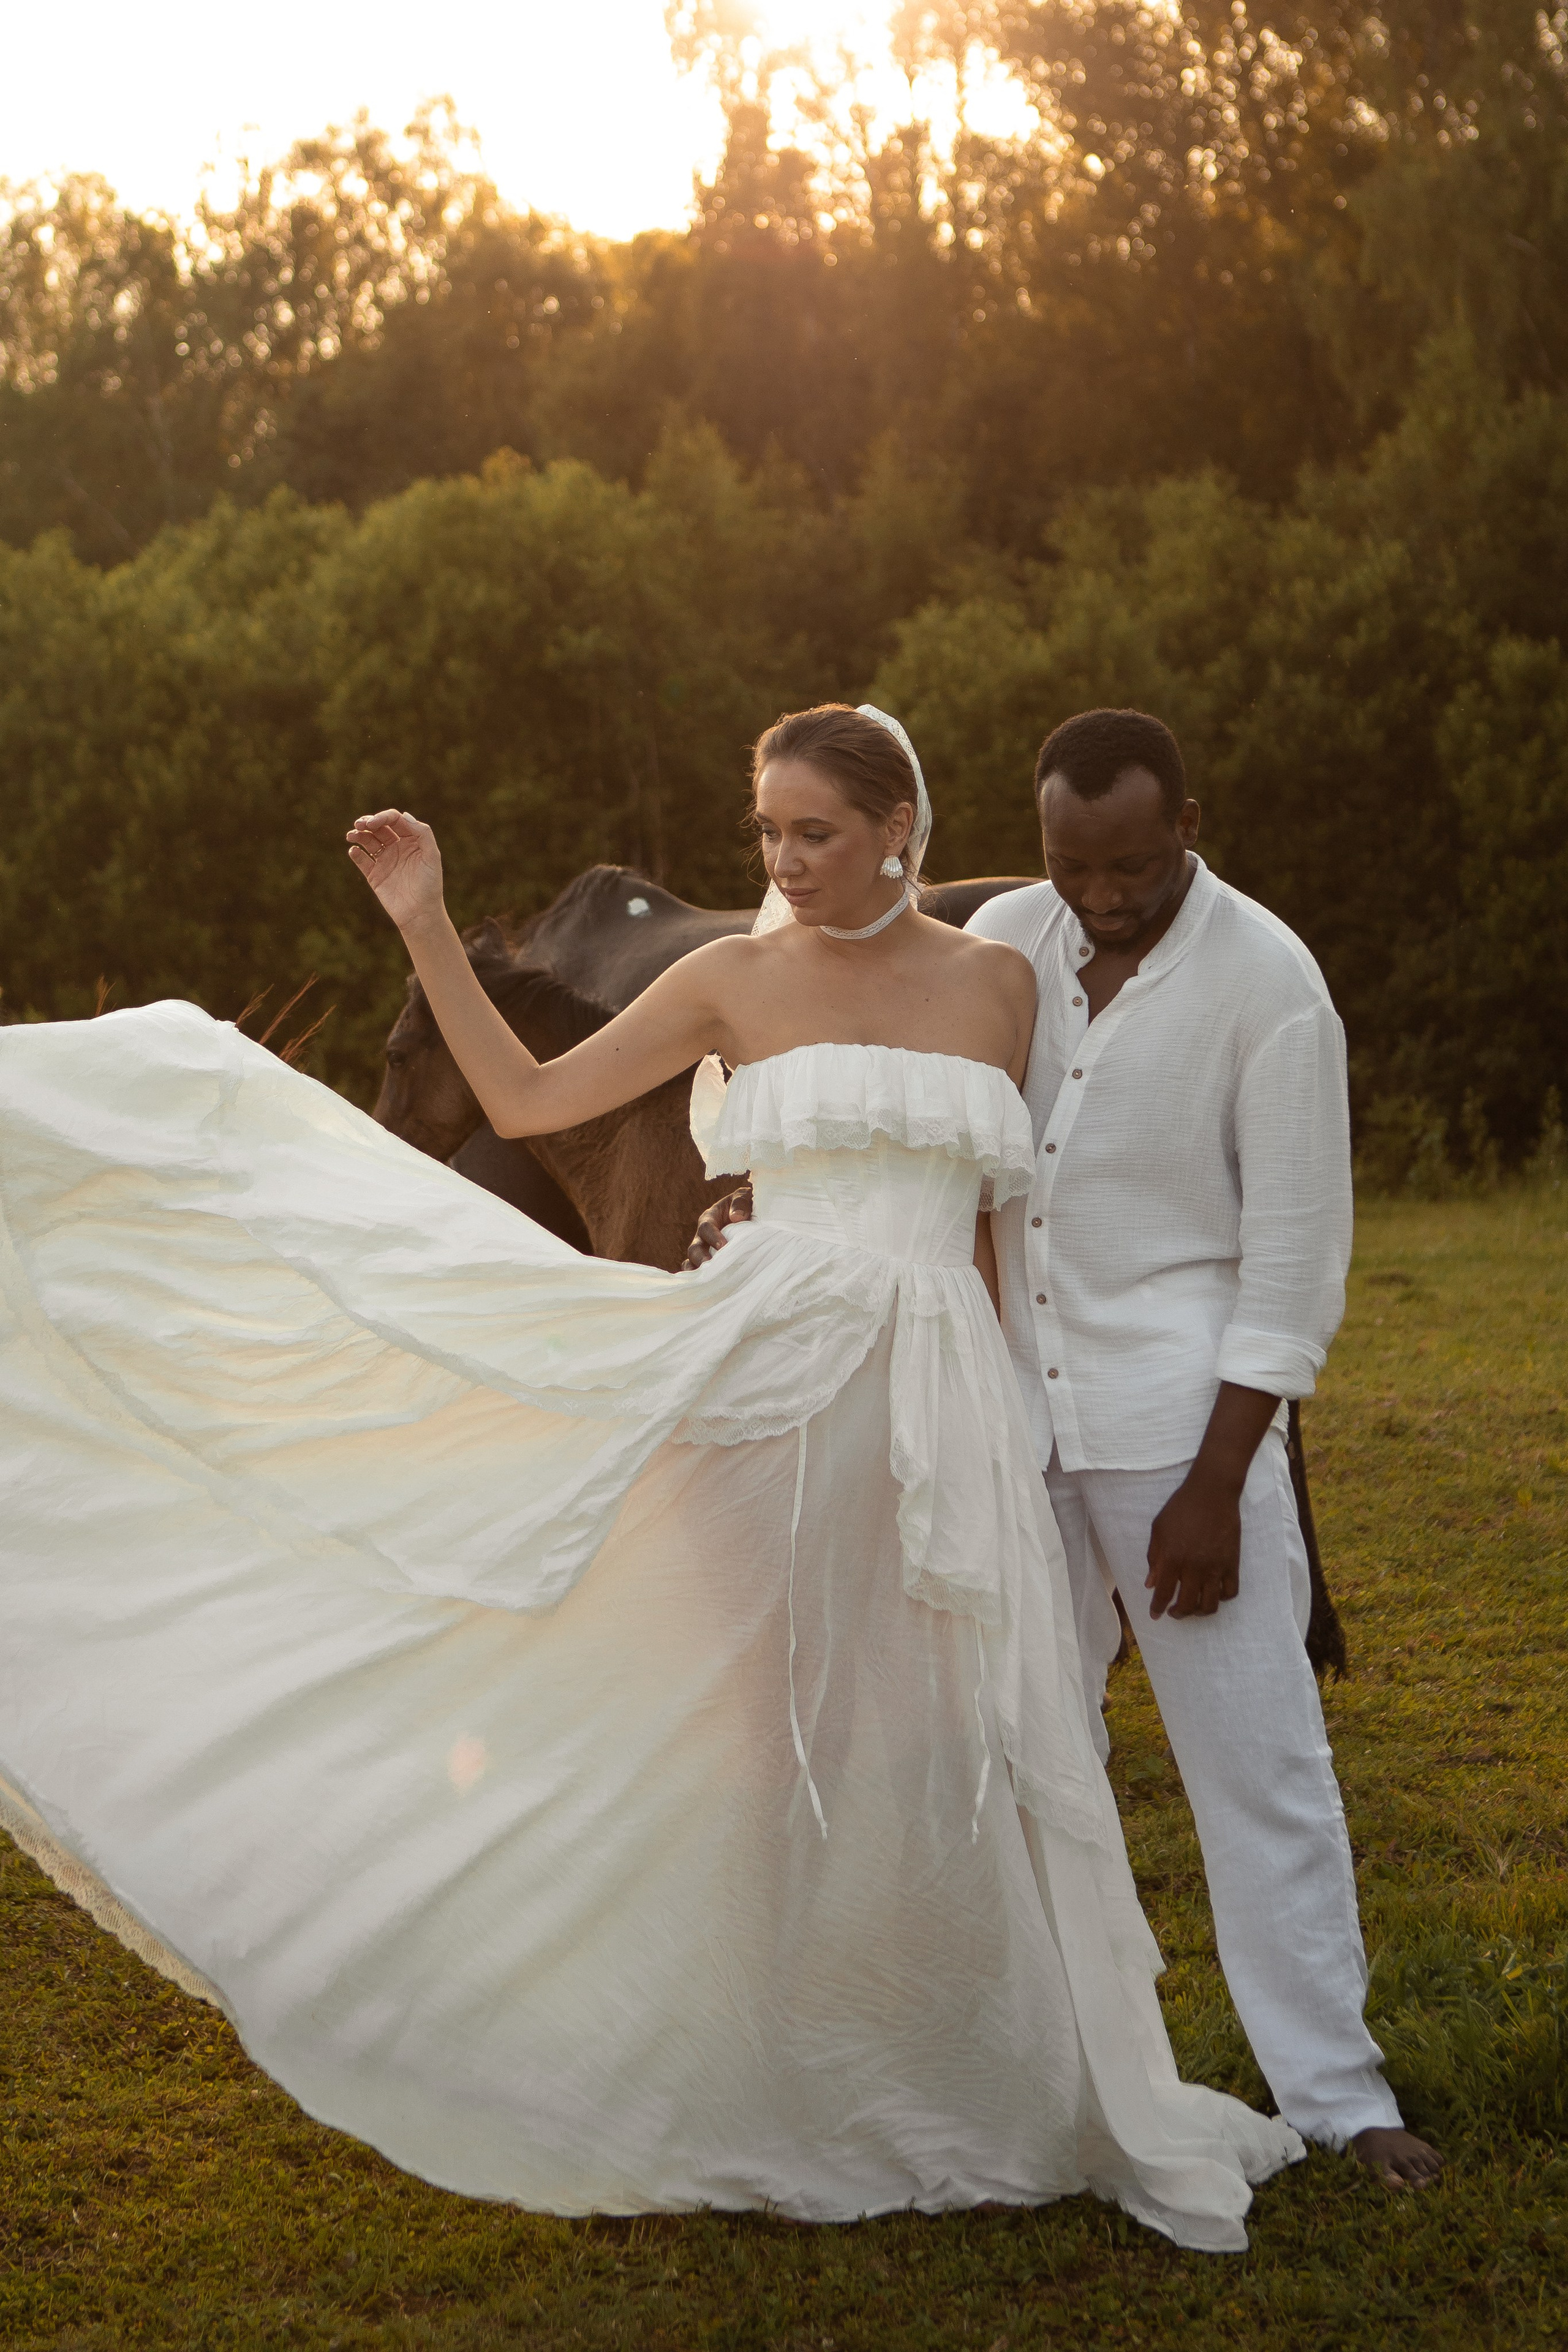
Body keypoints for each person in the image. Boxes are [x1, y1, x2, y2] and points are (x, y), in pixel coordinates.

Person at [0, 704, 1303, 2250]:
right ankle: (748, 2067)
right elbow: (528, 1102)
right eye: (766, 835)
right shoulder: (730, 979)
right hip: (771, 1376)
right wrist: (425, 925)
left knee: (950, 1735)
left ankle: (970, 2058)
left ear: (900, 828)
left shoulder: (1001, 984)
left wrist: (1023, 1416)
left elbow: (990, 1230)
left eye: (813, 831)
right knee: (760, 1727)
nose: (784, 862)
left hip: (947, 1385)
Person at [697, 709, 1442, 2193]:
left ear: (1186, 821)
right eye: (1066, 863)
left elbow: (1292, 1269)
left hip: (1178, 1443)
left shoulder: (1268, 986)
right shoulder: (1009, 942)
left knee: (1256, 1766)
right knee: (1017, 1752)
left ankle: (1339, 2094)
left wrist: (1218, 1486)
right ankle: (1035, 2064)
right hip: (999, 1419)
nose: (1095, 895)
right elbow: (894, 1082)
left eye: (1127, 863)